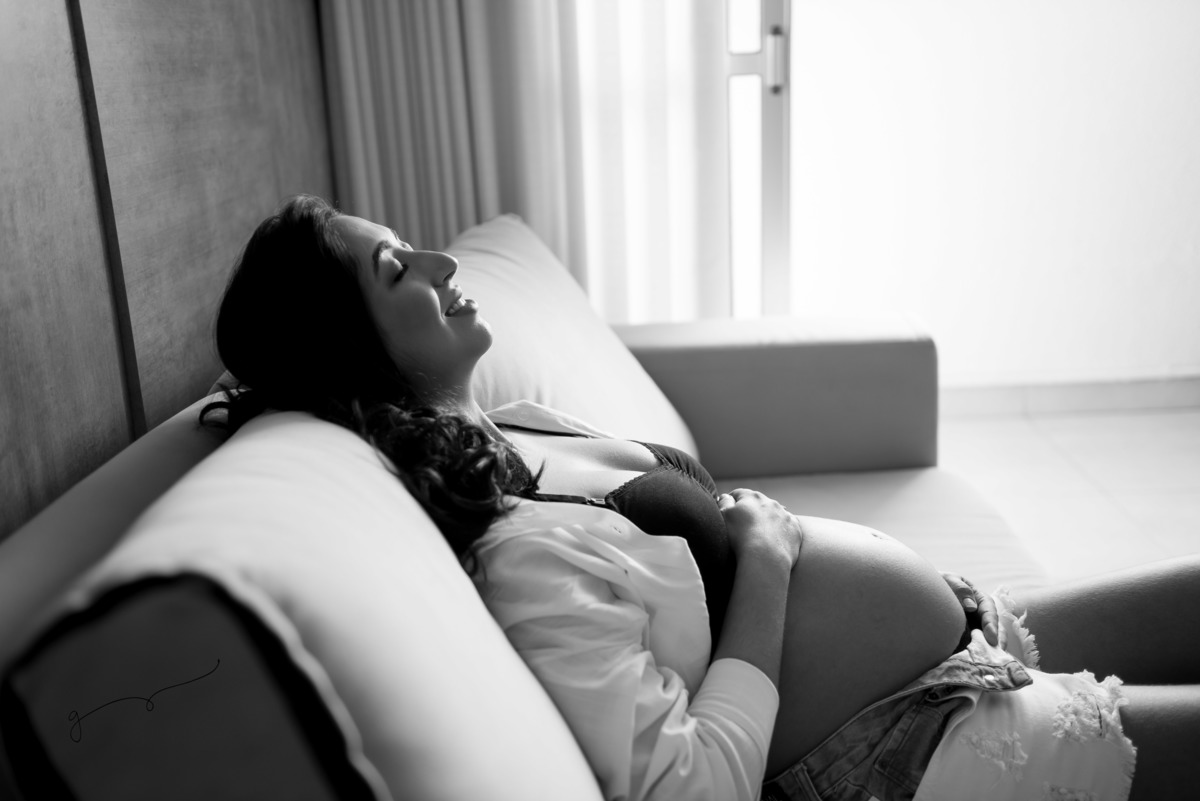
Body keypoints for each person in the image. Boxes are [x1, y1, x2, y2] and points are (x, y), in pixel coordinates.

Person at [204, 195, 1199, 801]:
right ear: (352, 349)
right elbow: (692, 786)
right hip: (911, 750)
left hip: (951, 645)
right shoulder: (516, 557)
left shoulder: (518, 431)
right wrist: (765, 562)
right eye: (396, 269)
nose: (441, 263)